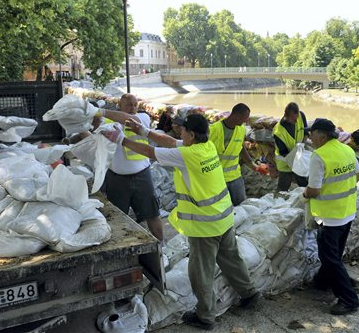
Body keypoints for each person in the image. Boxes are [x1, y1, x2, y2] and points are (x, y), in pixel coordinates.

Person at [102, 113, 260, 331]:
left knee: (200, 273)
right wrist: (144, 132)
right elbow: (169, 142)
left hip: (205, 226)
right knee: (231, 259)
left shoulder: (187, 155)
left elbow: (150, 152)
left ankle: (206, 317)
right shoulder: (208, 147)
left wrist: (120, 140)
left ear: (191, 134)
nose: (179, 133)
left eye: (183, 131)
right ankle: (250, 293)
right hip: (224, 217)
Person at [302, 118, 359, 316]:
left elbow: (314, 189)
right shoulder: (347, 150)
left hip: (329, 216)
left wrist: (304, 194)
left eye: (312, 133)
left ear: (322, 135)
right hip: (348, 211)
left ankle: (348, 299)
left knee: (330, 258)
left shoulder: (319, 156)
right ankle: (323, 282)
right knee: (334, 255)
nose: (310, 137)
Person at [92, 94, 164, 243]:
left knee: (152, 214)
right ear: (120, 105)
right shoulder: (109, 122)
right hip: (116, 179)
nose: (133, 108)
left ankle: (160, 247)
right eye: (128, 105)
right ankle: (121, 246)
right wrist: (93, 114)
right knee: (117, 218)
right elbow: (94, 127)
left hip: (142, 176)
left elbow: (130, 120)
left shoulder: (142, 119)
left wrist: (101, 111)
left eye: (135, 105)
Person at [208, 103, 261, 206]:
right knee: (221, 205)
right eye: (244, 118)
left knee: (241, 205)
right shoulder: (214, 130)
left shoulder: (241, 129)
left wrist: (252, 165)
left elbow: (241, 148)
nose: (246, 121)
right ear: (236, 115)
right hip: (217, 177)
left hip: (235, 176)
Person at [273, 102, 309, 191]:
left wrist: (301, 146)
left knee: (305, 185)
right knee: (282, 189)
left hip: (298, 157)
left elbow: (306, 133)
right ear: (285, 115)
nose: (296, 121)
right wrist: (297, 161)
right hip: (285, 162)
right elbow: (284, 153)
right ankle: (279, 202)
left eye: (297, 118)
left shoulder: (301, 116)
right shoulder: (278, 132)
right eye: (293, 119)